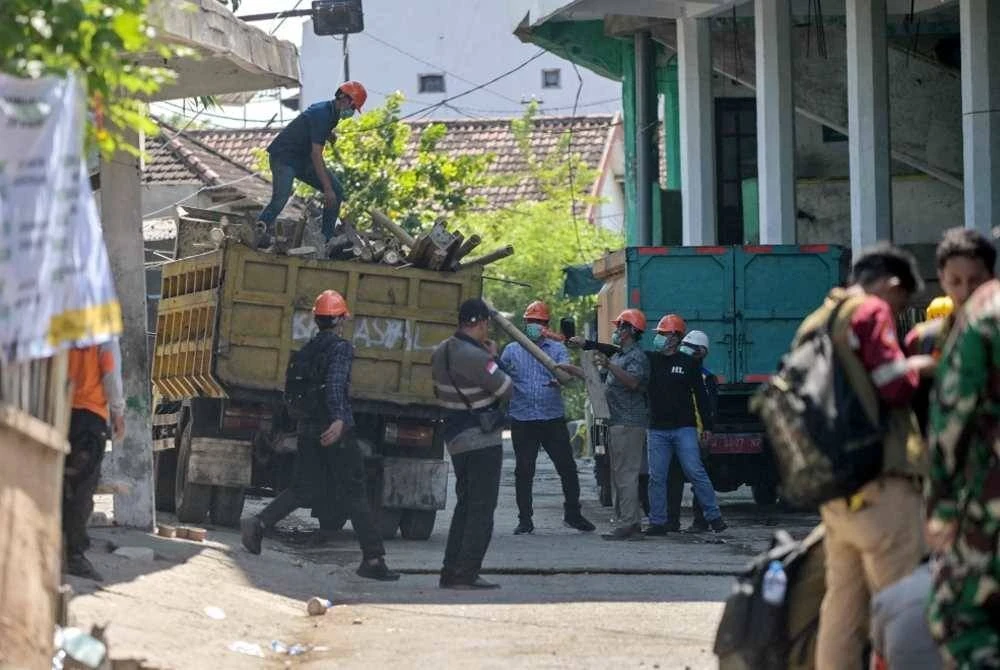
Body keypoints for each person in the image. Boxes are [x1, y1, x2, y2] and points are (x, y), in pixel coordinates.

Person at [807, 244, 937, 670]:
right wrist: (928, 363)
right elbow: (893, 384)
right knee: (904, 607)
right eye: (901, 303)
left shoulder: (818, 318)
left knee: (842, 610)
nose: (897, 312)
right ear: (892, 285)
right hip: (882, 483)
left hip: (837, 488)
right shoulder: (869, 312)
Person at [240, 290, 399, 582]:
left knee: (303, 488)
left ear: (316, 319)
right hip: (334, 429)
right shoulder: (340, 348)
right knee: (355, 492)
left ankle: (259, 523)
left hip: (308, 429)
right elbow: (336, 384)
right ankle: (373, 559)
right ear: (340, 320)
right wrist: (339, 419)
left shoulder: (307, 349)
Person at [926, 277, 1000, 669]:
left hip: (988, 494)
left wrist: (941, 504)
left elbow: (952, 416)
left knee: (959, 612)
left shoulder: (987, 313)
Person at [431, 298, 513, 589]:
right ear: (479, 322)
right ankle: (467, 573)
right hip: (481, 441)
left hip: (455, 438)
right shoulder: (477, 357)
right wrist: (494, 357)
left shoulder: (441, 351)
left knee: (464, 507)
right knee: (480, 511)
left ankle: (449, 571)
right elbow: (506, 388)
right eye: (487, 323)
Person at [500, 301, 595, 535]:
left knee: (567, 468)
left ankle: (573, 514)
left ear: (546, 325)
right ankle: (525, 520)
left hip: (551, 417)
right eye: (531, 322)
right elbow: (500, 377)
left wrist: (559, 378)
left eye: (539, 322)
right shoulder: (512, 350)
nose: (535, 326)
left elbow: (568, 378)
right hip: (523, 418)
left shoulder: (556, 349)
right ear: (524, 324)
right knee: (524, 470)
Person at [905, 228, 996, 435]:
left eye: (975, 281)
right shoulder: (922, 340)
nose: (965, 292)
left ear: (991, 277)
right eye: (955, 281)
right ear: (941, 279)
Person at [256, 81, 367, 245]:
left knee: (337, 191)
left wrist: (328, 134)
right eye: (353, 107)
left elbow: (312, 127)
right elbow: (316, 154)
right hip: (284, 158)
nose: (351, 112)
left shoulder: (331, 113)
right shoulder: (323, 113)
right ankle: (259, 232)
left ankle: (326, 240)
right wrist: (326, 189)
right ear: (345, 99)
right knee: (281, 198)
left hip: (301, 159)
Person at [645, 317, 726, 536]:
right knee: (657, 477)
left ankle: (713, 516)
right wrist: (588, 344)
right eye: (659, 334)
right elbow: (616, 351)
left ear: (674, 338)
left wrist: (707, 427)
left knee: (695, 471)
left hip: (684, 428)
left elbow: (701, 397)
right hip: (657, 429)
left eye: (663, 334)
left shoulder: (688, 364)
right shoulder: (650, 360)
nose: (659, 338)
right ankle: (658, 522)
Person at [64, 340, 125, 581]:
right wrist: (118, 411)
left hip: (58, 408)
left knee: (58, 483)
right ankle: (73, 556)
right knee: (80, 489)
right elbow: (110, 370)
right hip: (89, 415)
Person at [595, 309, 651, 541]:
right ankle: (630, 522)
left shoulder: (636, 357)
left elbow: (634, 382)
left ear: (630, 331)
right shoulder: (619, 356)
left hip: (629, 423)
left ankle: (628, 524)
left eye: (620, 327)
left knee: (626, 474)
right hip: (617, 421)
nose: (617, 331)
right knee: (620, 474)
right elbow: (606, 383)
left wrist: (609, 365)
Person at [666, 329, 716, 532]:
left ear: (702, 352)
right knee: (673, 477)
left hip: (696, 433)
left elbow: (709, 408)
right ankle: (672, 520)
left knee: (698, 478)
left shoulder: (706, 378)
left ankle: (701, 520)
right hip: (678, 431)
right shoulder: (677, 372)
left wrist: (706, 431)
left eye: (691, 348)